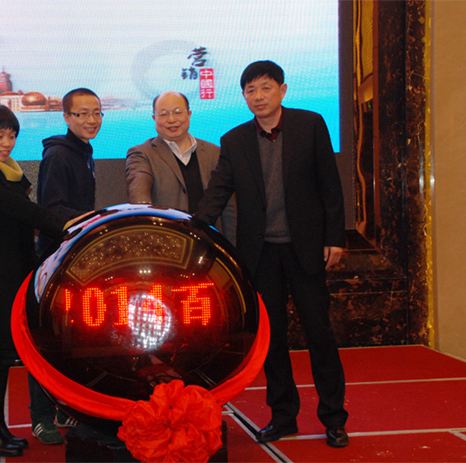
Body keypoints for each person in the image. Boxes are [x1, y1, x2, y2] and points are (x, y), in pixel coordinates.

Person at [194, 60, 349, 448]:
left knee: (320, 334)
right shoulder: (234, 140)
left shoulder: (310, 125)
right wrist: (192, 227)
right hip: (261, 255)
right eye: (250, 90)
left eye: (265, 88)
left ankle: (334, 418)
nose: (258, 96)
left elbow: (330, 185)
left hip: (306, 249)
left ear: (282, 90)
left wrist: (335, 237)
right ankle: (283, 416)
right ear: (244, 96)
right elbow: (217, 192)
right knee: (272, 339)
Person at [0, 104, 67, 457]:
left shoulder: (7, 172)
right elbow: (25, 212)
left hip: (15, 277)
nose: (6, 142)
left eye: (11, 135)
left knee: (2, 359)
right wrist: (68, 226)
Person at [30, 88, 102, 442]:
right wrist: (95, 219)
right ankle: (41, 417)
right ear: (66, 117)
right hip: (55, 259)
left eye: (97, 113)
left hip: (75, 255)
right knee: (47, 338)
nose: (91, 120)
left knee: (72, 338)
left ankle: (63, 408)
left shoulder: (83, 151)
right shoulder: (58, 155)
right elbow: (53, 209)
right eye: (82, 114)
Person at [125, 90, 236, 244]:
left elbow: (229, 210)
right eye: (163, 114)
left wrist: (231, 248)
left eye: (177, 112)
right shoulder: (142, 154)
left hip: (207, 244)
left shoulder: (214, 153)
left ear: (189, 114)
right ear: (154, 118)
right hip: (164, 245)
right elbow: (139, 192)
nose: (171, 120)